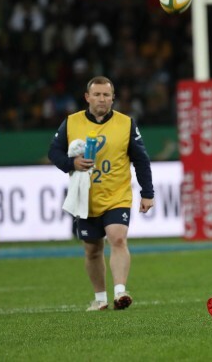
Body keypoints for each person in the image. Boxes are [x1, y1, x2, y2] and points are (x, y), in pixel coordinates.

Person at [48, 76, 154, 311]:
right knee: (92, 249)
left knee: (117, 238)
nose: (102, 99)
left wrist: (147, 192)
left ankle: (120, 292)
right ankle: (100, 298)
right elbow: (53, 152)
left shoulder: (126, 124)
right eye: (97, 94)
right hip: (86, 197)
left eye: (106, 95)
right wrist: (71, 163)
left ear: (113, 98)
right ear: (87, 97)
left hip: (117, 195)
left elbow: (141, 160)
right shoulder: (71, 122)